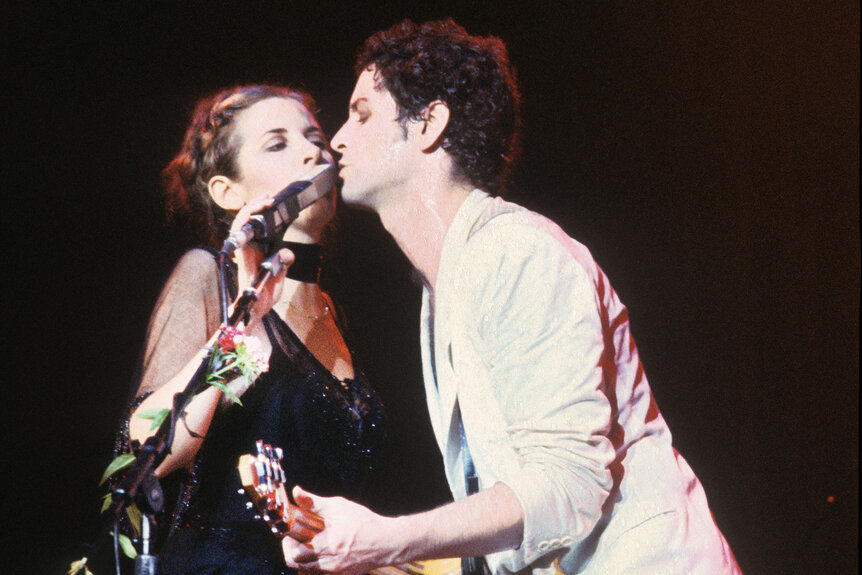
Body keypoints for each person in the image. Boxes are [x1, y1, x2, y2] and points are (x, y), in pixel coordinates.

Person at [280, 19, 742, 575]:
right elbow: (514, 507)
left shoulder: (515, 252)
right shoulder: (445, 283)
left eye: (362, 113)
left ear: (429, 123)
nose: (338, 139)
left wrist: (389, 539)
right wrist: (381, 559)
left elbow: (569, 483)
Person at [114, 85, 386, 574]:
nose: (314, 152)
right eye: (277, 144)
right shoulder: (207, 279)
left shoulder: (334, 312)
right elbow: (142, 452)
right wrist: (243, 325)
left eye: (315, 138)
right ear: (227, 190)